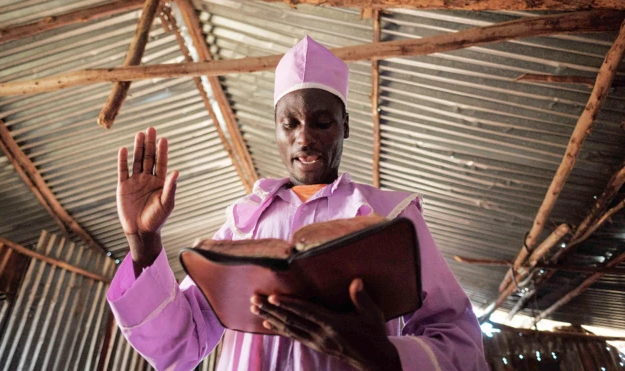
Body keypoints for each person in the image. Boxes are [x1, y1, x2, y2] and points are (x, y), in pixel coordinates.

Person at [107, 36, 488, 371]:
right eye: (289, 124)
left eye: (322, 122)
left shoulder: (390, 218)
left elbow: (459, 340)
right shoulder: (244, 225)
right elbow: (182, 344)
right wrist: (144, 240)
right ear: (275, 128)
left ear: (346, 126)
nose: (304, 138)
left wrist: (386, 355)